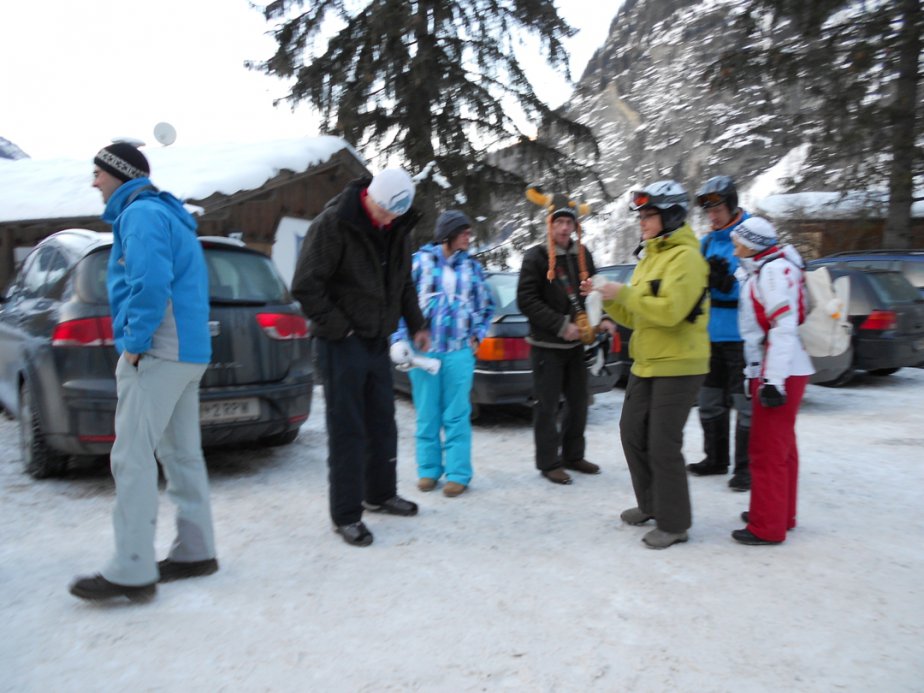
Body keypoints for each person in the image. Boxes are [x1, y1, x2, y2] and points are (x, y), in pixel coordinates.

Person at [70, 143, 217, 602]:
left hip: (158, 352)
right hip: (189, 352)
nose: (94, 181)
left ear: (118, 173)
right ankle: (196, 550)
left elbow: (150, 283)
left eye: (98, 173)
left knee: (132, 458)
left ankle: (132, 568)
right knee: (182, 454)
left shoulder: (140, 215)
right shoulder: (170, 214)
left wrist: (135, 344)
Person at [292, 168, 430, 547]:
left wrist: (417, 323)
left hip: (376, 340)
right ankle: (347, 514)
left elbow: (403, 282)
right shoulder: (333, 224)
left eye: (395, 216)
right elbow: (305, 285)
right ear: (370, 197)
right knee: (348, 431)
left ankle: (380, 494)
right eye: (385, 213)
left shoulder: (397, 227)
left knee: (383, 424)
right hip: (341, 344)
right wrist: (341, 327)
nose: (388, 221)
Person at [583, 181, 709, 549]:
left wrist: (622, 292)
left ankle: (675, 523)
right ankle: (651, 504)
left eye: (649, 215)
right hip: (648, 361)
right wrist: (606, 298)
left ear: (671, 216)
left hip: (680, 363)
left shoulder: (687, 259)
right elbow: (636, 314)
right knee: (632, 432)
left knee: (662, 442)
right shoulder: (650, 257)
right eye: (641, 215)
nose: (643, 221)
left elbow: (671, 312)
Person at [393, 210, 495, 497]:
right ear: (447, 234)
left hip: (459, 353)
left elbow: (486, 306)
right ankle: (428, 471)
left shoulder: (472, 268)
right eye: (464, 232)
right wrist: (400, 338)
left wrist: (477, 334)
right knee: (427, 414)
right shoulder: (419, 262)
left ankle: (458, 474)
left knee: (457, 415)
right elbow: (399, 303)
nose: (468, 237)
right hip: (423, 353)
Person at [517, 192, 616, 485]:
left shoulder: (583, 254)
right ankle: (549, 462)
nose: (563, 228)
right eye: (558, 222)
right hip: (547, 346)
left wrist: (603, 318)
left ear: (575, 226)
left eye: (568, 222)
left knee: (578, 402)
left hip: (577, 345)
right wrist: (561, 325)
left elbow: (595, 291)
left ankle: (573, 455)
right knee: (547, 406)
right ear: (549, 224)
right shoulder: (535, 257)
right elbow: (526, 300)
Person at [729, 216, 813, 545]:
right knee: (782, 446)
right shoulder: (771, 267)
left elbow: (783, 326)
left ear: (753, 244)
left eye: (738, 240)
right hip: (785, 366)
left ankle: (767, 525)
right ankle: (779, 512)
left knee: (766, 449)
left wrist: (772, 381)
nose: (734, 246)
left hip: (780, 369)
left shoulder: (772, 272)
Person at [687, 175, 753, 491]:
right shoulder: (708, 242)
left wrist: (729, 285)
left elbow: (761, 282)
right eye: (708, 211)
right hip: (710, 336)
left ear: (732, 205)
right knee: (710, 400)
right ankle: (715, 459)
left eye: (718, 210)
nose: (712, 217)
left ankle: (746, 469)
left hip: (743, 338)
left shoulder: (751, 234)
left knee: (745, 404)